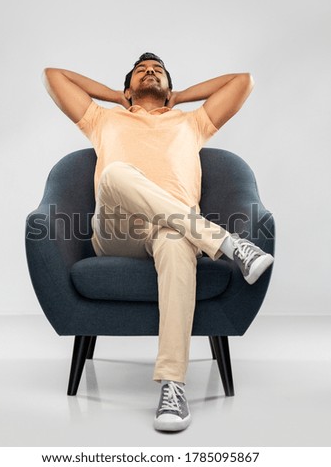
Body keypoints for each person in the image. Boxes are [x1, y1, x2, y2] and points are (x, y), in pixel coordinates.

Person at [42, 52, 274, 432]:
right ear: (128, 87)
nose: (150, 73)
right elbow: (54, 75)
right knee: (115, 174)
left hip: (175, 231)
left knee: (175, 239)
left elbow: (243, 80)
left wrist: (180, 98)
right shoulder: (103, 119)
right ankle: (229, 244)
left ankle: (173, 387)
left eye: (158, 72)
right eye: (141, 71)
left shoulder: (193, 122)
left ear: (168, 88)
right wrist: (117, 99)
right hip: (118, 231)